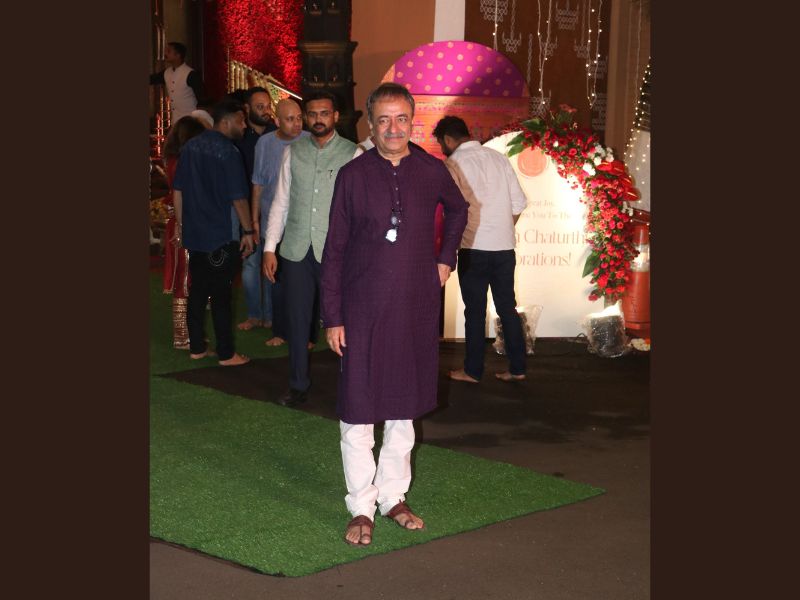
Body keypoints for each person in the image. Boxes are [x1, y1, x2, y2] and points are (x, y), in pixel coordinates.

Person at [320, 83, 468, 546]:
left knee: (404, 410)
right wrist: (333, 316)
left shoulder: (432, 169)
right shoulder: (353, 175)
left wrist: (445, 259)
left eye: (401, 119)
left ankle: (393, 497)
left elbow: (459, 210)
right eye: (383, 120)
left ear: (412, 121)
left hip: (415, 309)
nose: (393, 128)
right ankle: (361, 505)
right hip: (361, 311)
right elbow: (334, 249)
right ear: (370, 124)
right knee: (359, 410)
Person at [262, 92, 361, 406]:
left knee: (344, 319)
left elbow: (361, 208)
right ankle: (297, 384)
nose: (318, 119)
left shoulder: (354, 153)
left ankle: (352, 385)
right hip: (296, 251)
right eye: (313, 114)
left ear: (335, 116)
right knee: (297, 320)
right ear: (306, 117)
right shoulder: (292, 152)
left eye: (324, 113)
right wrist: (269, 247)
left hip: (338, 253)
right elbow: (280, 202)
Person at [433, 115, 528, 383]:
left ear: (448, 139)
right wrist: (501, 230)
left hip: (472, 247)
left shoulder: (453, 164)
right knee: (507, 308)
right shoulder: (499, 158)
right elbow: (519, 204)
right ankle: (518, 368)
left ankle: (473, 371)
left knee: (474, 311)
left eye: (441, 143)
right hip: (504, 248)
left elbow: (450, 210)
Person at [172, 99, 256, 367]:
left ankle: (197, 347)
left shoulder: (190, 147)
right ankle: (226, 354)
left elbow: (178, 190)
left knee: (198, 291)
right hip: (221, 235)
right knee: (221, 295)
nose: (244, 126)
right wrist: (248, 230)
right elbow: (238, 198)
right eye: (241, 120)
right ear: (226, 122)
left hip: (195, 234)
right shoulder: (229, 152)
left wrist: (183, 225)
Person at [250, 99, 310, 347]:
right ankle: (279, 330)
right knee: (276, 279)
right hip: (273, 222)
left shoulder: (309, 140)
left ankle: (306, 332)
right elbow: (258, 184)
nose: (297, 124)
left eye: (299, 118)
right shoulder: (265, 143)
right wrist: (254, 221)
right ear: (276, 121)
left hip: (302, 223)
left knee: (304, 280)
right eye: (290, 119)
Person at [235, 87, 280, 331]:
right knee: (251, 263)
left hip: (274, 207)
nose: (265, 111)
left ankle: (271, 315)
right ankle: (254, 314)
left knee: (271, 261)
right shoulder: (240, 136)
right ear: (248, 109)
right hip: (245, 207)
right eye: (259, 107)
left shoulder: (278, 133)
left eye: (267, 106)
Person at [161, 116, 207, 349]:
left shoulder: (174, 160)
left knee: (187, 278)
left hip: (181, 223)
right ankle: (182, 336)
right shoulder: (182, 162)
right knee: (184, 280)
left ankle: (189, 332)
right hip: (184, 225)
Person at [150, 42, 202, 123]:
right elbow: (151, 79)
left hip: (191, 120)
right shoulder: (166, 73)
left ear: (178, 55)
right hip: (175, 120)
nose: (165, 54)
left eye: (168, 51)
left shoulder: (191, 74)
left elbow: (201, 98)